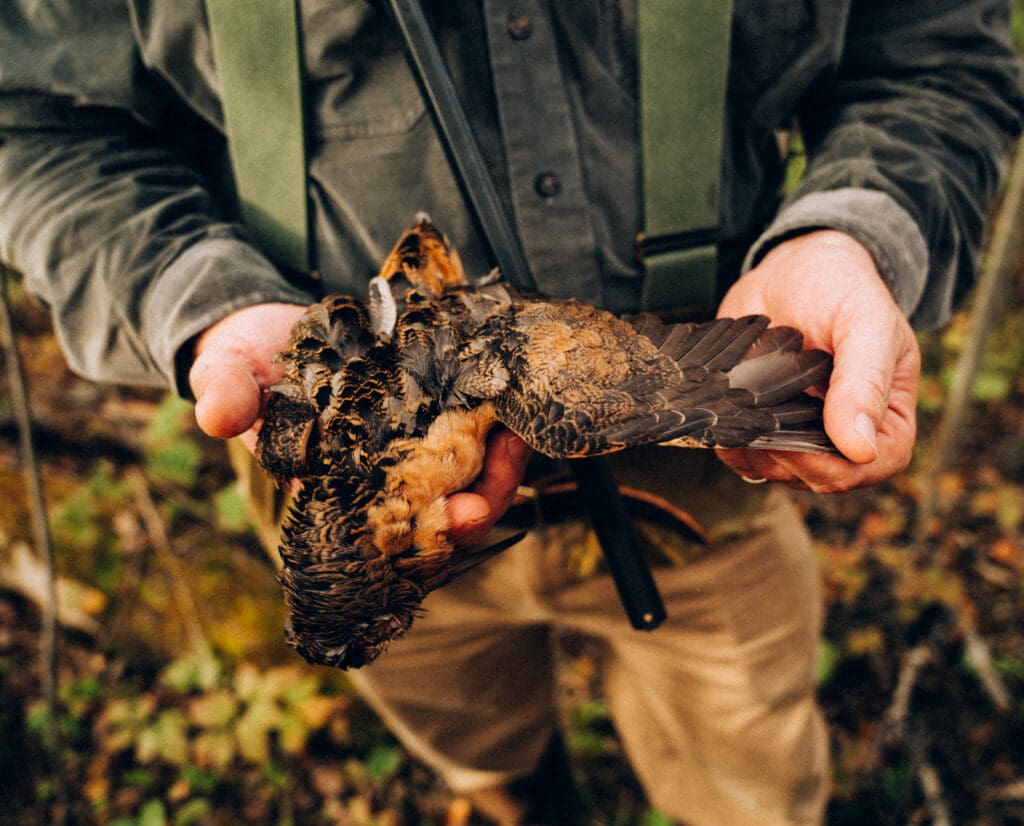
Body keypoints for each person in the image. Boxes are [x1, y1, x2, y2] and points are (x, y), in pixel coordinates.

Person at [1, 2, 1021, 824]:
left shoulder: (493, 385)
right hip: (340, 462)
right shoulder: (339, 502)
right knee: (472, 742)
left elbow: (938, 58)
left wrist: (852, 233)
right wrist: (200, 303)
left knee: (748, 768)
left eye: (384, 583)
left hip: (704, 495)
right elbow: (35, 118)